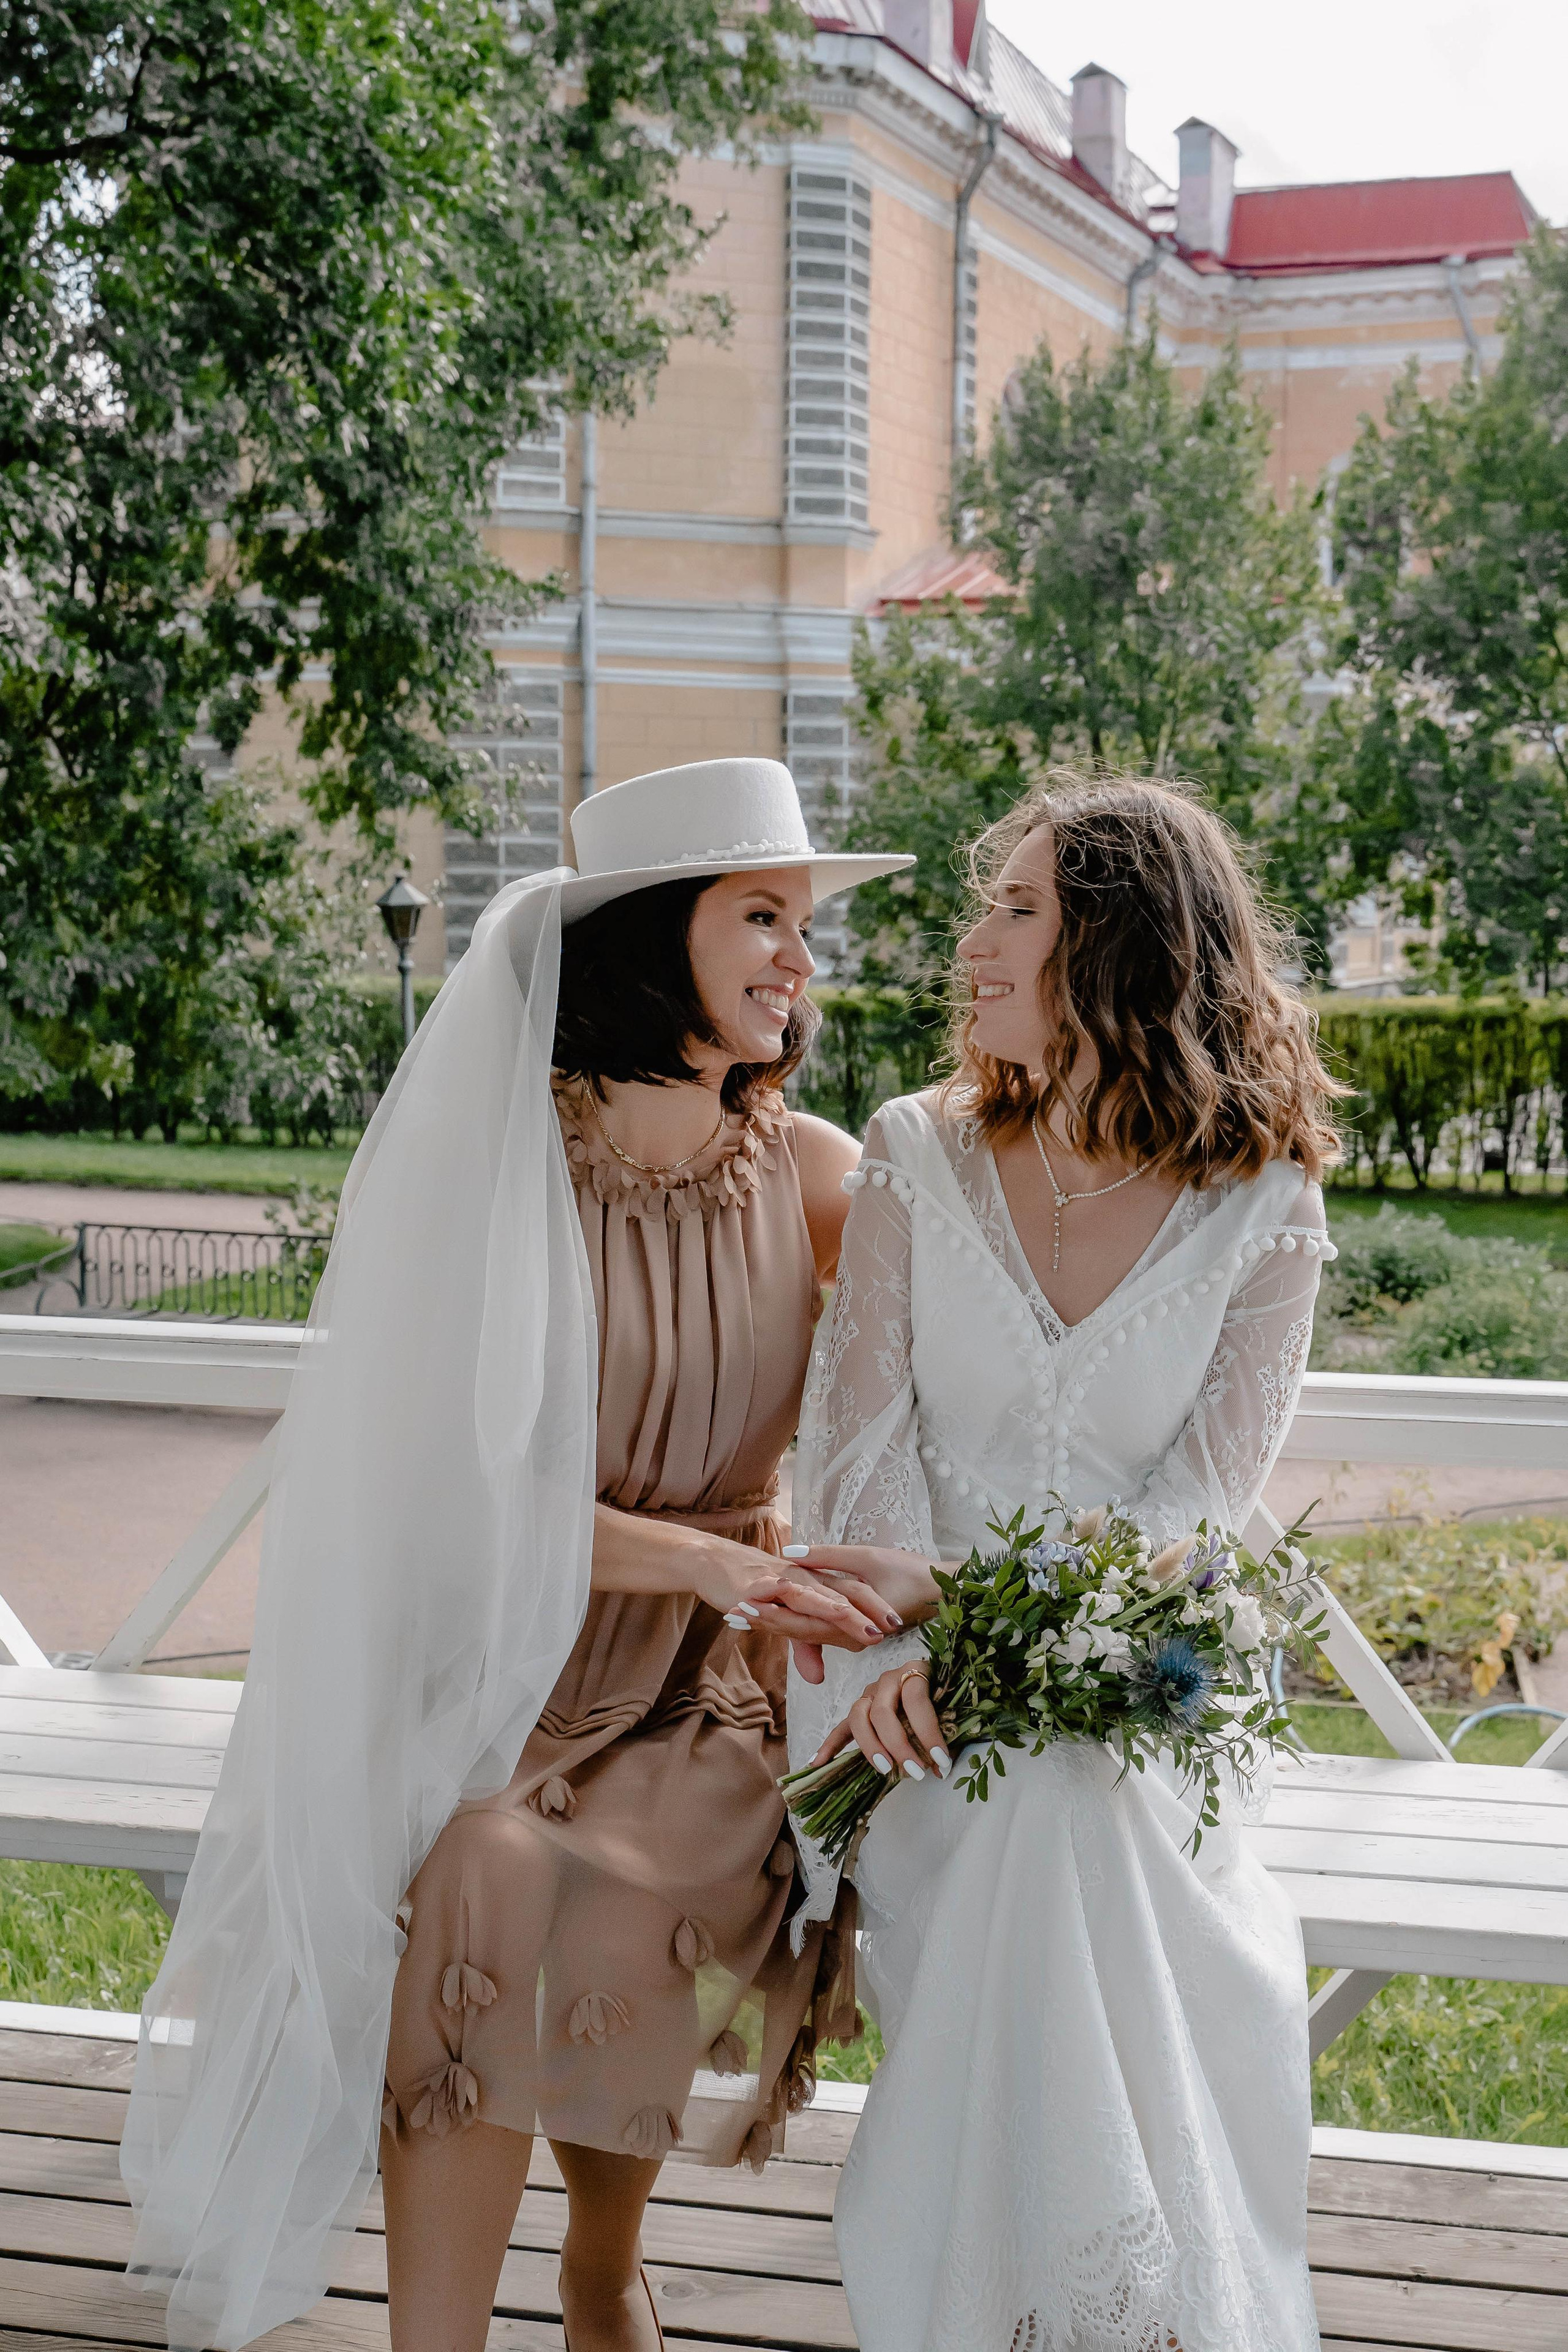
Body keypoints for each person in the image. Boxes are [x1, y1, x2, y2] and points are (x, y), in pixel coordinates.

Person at [119, 759, 918, 2352]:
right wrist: (690, 1562)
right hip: (514, 1649)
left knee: (605, 1890)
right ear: (647, 942)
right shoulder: (510, 1174)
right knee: (485, 1862)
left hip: (721, 1680)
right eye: (763, 917)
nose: (799, 961)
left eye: (805, 928)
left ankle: (602, 2277)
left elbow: (996, 1353)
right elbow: (448, 1491)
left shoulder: (824, 1176)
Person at [786, 774, 1341, 2352]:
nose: (975, 939)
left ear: (1128, 951)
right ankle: (1119, 2311)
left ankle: (1033, 2309)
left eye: (1019, 908)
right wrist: (901, 1661)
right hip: (878, 1673)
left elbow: (1199, 1504)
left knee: (1069, 1804)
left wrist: (998, 1637)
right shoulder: (914, 1150)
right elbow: (859, 1449)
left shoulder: (1267, 1202)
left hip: (1145, 1671)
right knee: (1040, 1807)